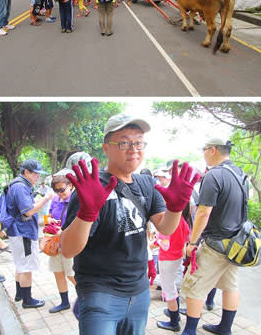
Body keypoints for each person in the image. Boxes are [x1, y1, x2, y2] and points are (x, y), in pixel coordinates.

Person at [60, 113, 200, 335]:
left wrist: (176, 208)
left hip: (139, 293)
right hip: (100, 294)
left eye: (138, 142)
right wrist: (87, 213)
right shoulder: (91, 188)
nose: (134, 148)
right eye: (124, 142)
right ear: (106, 148)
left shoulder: (146, 184)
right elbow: (67, 250)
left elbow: (165, 227)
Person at [179, 138, 247, 335]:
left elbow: (203, 212)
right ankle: (225, 328)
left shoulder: (213, 176)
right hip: (236, 243)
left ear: (214, 150)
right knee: (230, 286)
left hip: (215, 244)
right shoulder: (240, 173)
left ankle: (189, 331)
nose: (203, 153)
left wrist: (192, 243)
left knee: (195, 287)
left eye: (204, 149)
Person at [6, 159, 51, 308]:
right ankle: (28, 300)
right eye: (35, 173)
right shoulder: (20, 187)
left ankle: (20, 293)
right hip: (23, 232)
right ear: (26, 172)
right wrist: (45, 199)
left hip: (17, 231)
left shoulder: (18, 184)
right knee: (27, 266)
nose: (38, 176)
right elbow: (28, 210)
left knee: (20, 263)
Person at [45, 169, 78, 315]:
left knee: (72, 274)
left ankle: (86, 298)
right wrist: (50, 220)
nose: (59, 193)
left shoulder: (76, 200)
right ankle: (64, 302)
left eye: (61, 189)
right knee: (58, 272)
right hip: (55, 242)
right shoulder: (56, 200)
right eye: (56, 190)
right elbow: (49, 215)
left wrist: (64, 233)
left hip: (70, 243)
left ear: (70, 185)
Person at [157, 203, 192, 331]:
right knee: (172, 287)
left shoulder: (169, 222)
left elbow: (164, 244)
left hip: (167, 259)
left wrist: (156, 240)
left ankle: (174, 322)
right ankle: (175, 314)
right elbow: (187, 238)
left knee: (169, 290)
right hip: (177, 258)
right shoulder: (183, 221)